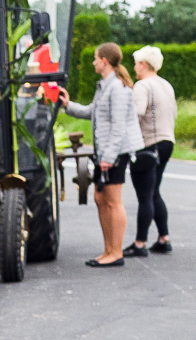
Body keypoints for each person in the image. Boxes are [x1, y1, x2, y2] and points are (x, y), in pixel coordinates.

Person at [57, 42, 140, 267]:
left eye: (95, 58)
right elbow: (92, 112)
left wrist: (108, 158)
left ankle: (116, 253)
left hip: (115, 153)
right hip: (105, 152)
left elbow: (119, 127)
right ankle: (108, 250)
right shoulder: (105, 86)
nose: (93, 62)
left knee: (113, 201)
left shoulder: (119, 88)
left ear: (104, 60)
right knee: (99, 198)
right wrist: (68, 104)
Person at [124, 45, 175, 257]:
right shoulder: (166, 85)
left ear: (144, 65)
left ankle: (140, 243)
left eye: (136, 63)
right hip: (167, 142)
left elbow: (136, 114)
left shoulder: (142, 86)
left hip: (148, 145)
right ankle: (164, 238)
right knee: (154, 191)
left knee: (144, 195)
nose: (135, 68)